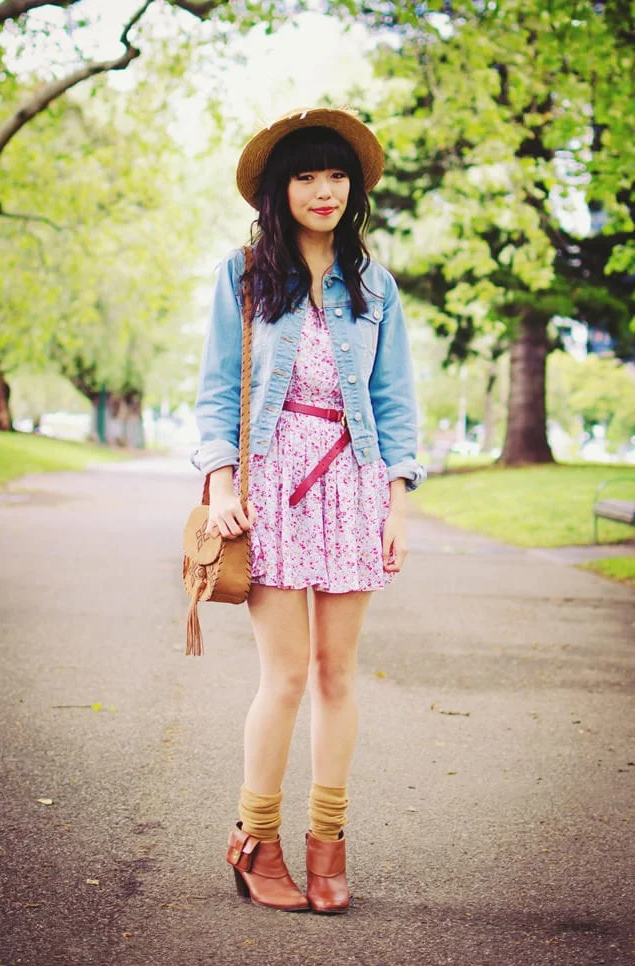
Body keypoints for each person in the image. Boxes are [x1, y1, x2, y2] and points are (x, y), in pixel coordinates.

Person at [193, 107, 425, 914]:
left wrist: (397, 503)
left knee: (336, 672)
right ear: (277, 189)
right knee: (285, 674)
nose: (324, 190)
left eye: (337, 175)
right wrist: (223, 484)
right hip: (273, 489)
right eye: (306, 175)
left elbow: (395, 404)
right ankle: (257, 838)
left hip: (353, 485)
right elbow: (218, 390)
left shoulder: (375, 285)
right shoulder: (245, 274)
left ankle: (330, 840)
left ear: (354, 187)